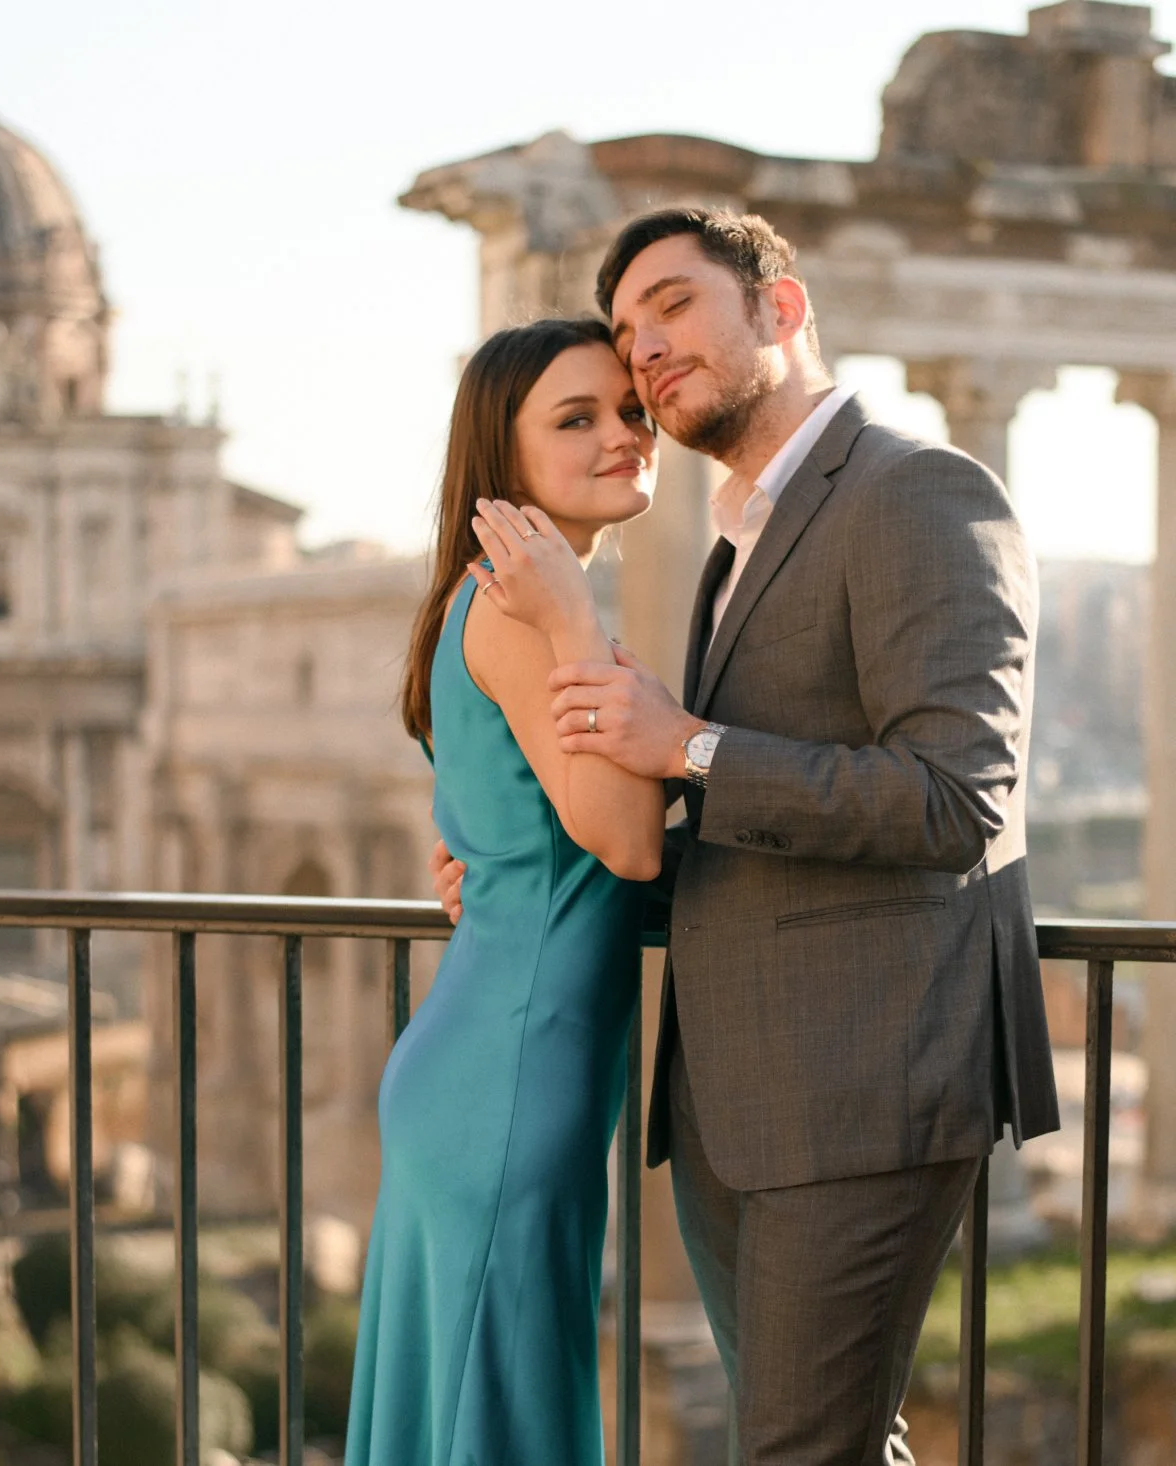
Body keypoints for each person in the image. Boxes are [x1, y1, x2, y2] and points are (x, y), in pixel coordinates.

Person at [432, 208, 1061, 1465]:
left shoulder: (919, 490)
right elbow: (744, 842)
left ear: (781, 306)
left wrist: (690, 747)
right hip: (739, 1095)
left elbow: (954, 798)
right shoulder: (739, 538)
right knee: (828, 1442)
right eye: (627, 330)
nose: (645, 348)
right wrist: (527, 876)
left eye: (673, 304)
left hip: (864, 1083)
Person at [344, 316, 665, 1466]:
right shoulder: (525, 609)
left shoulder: (473, 602)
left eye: (629, 409)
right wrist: (573, 614)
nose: (621, 434)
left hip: (488, 1064)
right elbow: (629, 843)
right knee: (503, 1420)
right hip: (513, 1081)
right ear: (502, 455)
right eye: (574, 418)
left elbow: (525, 833)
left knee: (467, 1415)